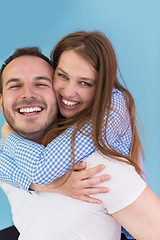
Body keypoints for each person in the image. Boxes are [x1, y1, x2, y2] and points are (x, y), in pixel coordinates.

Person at [0, 31, 160, 239]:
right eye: (62, 76)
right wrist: (55, 186)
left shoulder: (99, 163)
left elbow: (42, 169)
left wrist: (8, 133)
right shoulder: (26, 145)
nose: (68, 92)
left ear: (100, 88)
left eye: (85, 83)